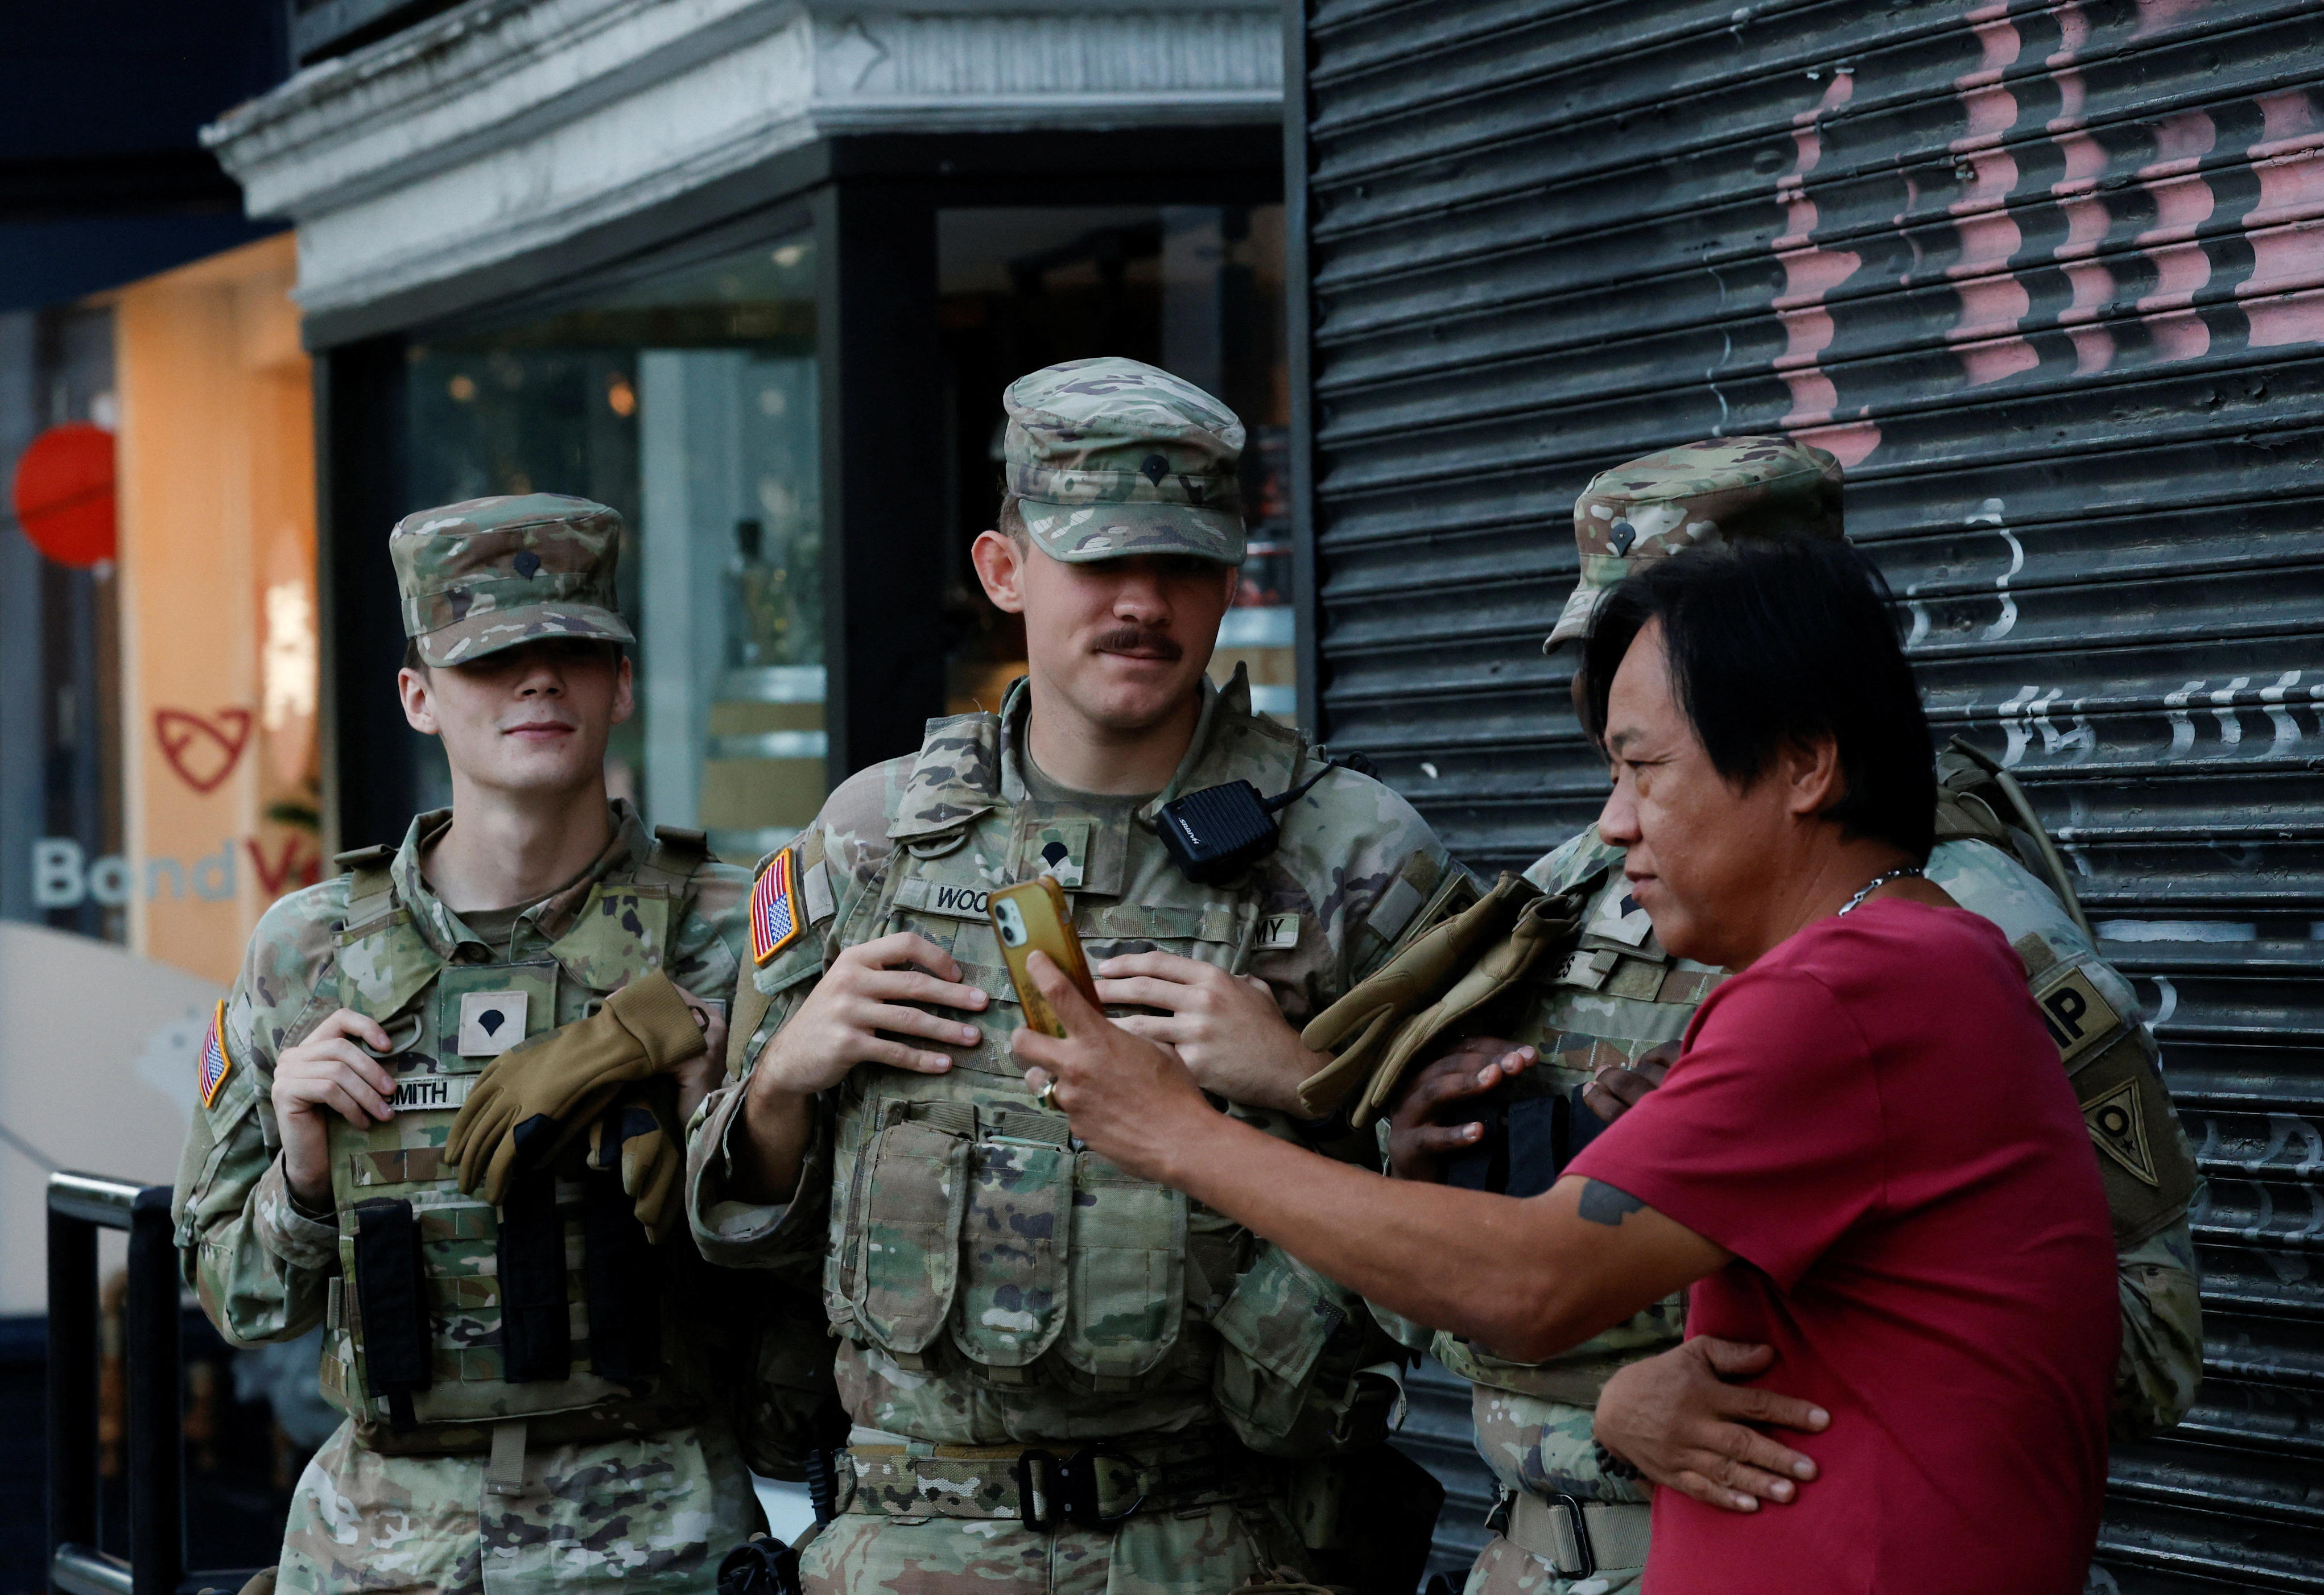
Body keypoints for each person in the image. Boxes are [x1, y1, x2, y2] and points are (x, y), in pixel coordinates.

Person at [1015, 534, 2127, 1595]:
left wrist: (1179, 1132)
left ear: (1803, 763)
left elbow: (1529, 1285)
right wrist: (1633, 1385)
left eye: (1643, 769)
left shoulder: (1850, 988)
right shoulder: (1893, 964)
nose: (1612, 826)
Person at [685, 357, 1470, 1593]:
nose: (1143, 604)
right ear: (1005, 570)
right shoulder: (872, 838)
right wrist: (783, 1081)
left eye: (1186, 567)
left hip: (1217, 1542)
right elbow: (742, 1245)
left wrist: (1310, 1081)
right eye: (1102, 563)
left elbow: (1485, 1233)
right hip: (902, 1544)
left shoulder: (1355, 856)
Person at [1363, 440, 2203, 1594]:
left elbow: (2142, 1341)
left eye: (1678, 635)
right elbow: (1463, 1264)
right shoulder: (1567, 892)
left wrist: (1692, 1295)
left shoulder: (1962, 928)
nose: (1610, 685)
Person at [171, 494, 765, 1594]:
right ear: (417, 698)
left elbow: (813, 1272)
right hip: (379, 1544)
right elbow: (239, 1302)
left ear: (621, 685)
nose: (537, 681)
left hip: (655, 1541)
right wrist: (304, 1178)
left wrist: (709, 1102)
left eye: (572, 652)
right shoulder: (307, 952)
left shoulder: (732, 932)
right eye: (491, 660)